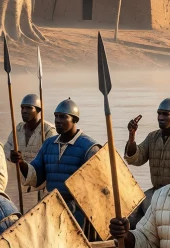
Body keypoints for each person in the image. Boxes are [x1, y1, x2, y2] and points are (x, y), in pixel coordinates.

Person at [9, 98, 101, 230]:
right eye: (56, 116)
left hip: (79, 212)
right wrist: (21, 162)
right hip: (52, 206)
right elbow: (36, 175)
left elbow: (97, 187)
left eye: (63, 117)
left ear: (74, 120)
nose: (57, 120)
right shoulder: (49, 144)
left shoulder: (89, 147)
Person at [124, 97, 170, 194]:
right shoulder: (152, 137)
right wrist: (132, 135)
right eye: (159, 113)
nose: (160, 117)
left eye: (166, 114)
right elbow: (136, 159)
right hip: (156, 192)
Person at [14, 94, 53, 163]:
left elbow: (51, 158)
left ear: (38, 110)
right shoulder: (19, 128)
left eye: (29, 108)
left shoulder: (48, 130)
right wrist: (12, 156)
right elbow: (6, 151)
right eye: (22, 108)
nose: (24, 111)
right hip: (20, 169)